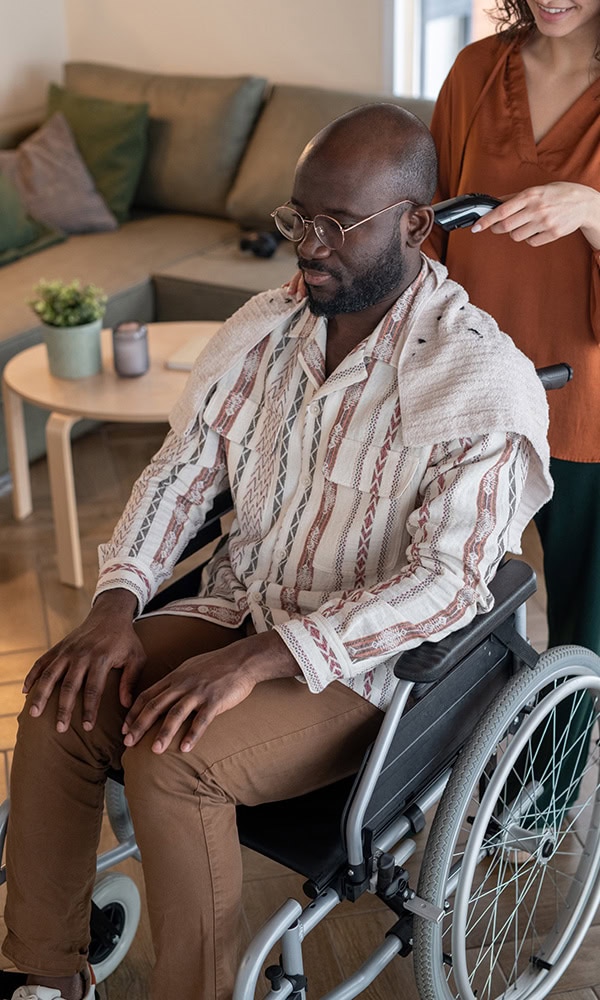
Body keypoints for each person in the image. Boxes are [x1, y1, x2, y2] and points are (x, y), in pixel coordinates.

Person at [2, 103, 552, 1000]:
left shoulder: (476, 376)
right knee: (60, 698)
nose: (310, 243)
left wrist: (257, 663)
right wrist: (115, 608)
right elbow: (181, 474)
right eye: (299, 216)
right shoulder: (264, 329)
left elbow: (450, 583)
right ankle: (47, 975)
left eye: (339, 223)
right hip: (245, 600)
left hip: (357, 668)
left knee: (173, 761)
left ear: (417, 225)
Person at [425, 0, 600, 657]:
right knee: (447, 597)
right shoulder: (475, 71)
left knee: (585, 626)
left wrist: (590, 208)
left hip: (587, 406)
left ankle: (556, 758)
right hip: (474, 386)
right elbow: (428, 224)